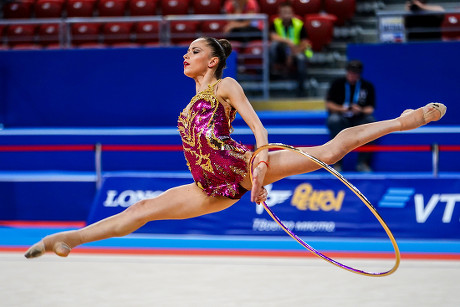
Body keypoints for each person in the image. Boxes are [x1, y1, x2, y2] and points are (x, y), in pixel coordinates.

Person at [25, 37, 446, 259]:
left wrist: (260, 170)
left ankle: (403, 120)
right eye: (186, 50)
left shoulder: (225, 86)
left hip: (242, 165)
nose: (184, 55)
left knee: (331, 150)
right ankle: (69, 240)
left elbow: (260, 130)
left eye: (194, 50)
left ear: (212, 61)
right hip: (208, 186)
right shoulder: (189, 102)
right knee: (142, 209)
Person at [325, 60, 376, 172]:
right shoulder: (337, 84)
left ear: (359, 74)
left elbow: (370, 109)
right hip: (341, 118)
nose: (352, 75)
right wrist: (341, 109)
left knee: (371, 123)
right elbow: (329, 104)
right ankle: (337, 163)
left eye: (355, 73)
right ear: (346, 72)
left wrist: (360, 109)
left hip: (359, 118)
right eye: (350, 72)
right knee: (333, 120)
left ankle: (362, 163)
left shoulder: (367, 86)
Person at [269, 1, 312, 96]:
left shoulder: (299, 24)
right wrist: (288, 42)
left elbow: (305, 43)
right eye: (283, 12)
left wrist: (292, 53)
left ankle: (301, 89)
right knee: (273, 46)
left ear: (292, 13)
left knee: (301, 59)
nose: (286, 15)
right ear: (279, 14)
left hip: (296, 52)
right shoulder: (276, 23)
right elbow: (273, 37)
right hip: (282, 52)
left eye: (288, 12)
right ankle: (273, 73)